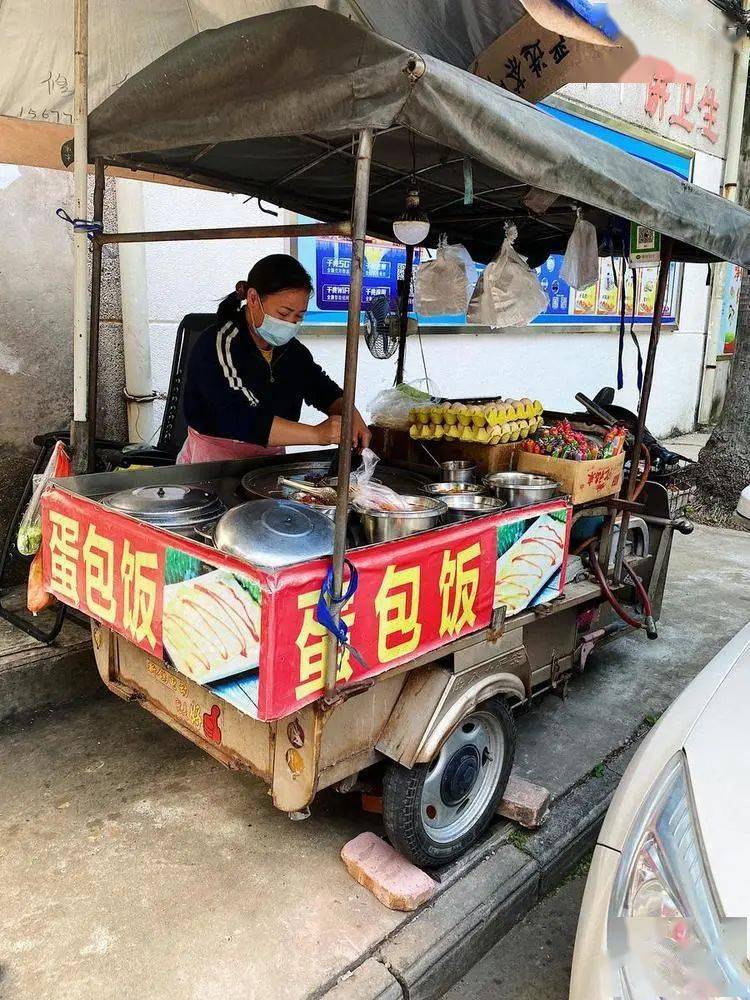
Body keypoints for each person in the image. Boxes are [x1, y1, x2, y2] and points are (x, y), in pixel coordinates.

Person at [178, 254, 370, 463]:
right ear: (253, 299)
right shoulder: (219, 344)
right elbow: (239, 416)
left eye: (299, 316)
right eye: (283, 313)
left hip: (269, 463)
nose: (290, 323)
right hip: (213, 464)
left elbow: (322, 389)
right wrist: (317, 434)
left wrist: (351, 414)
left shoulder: (292, 352)